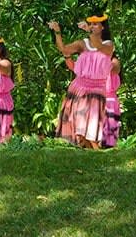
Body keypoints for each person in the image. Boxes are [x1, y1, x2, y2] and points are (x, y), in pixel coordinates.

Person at [49, 13, 115, 149]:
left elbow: (99, 47)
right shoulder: (82, 44)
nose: (92, 27)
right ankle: (83, 147)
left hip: (97, 88)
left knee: (91, 120)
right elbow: (64, 49)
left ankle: (93, 148)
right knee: (79, 116)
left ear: (103, 27)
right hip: (79, 86)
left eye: (95, 24)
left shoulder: (108, 45)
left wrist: (88, 31)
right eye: (90, 24)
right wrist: (57, 31)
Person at [102, 54, 122, 148]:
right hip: (99, 98)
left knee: (111, 125)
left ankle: (109, 145)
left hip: (110, 101)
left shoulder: (114, 62)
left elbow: (115, 67)